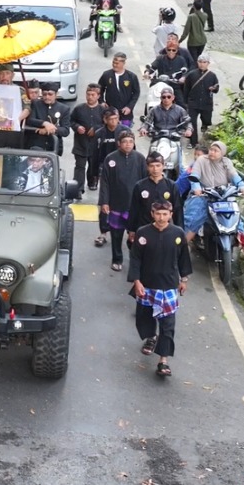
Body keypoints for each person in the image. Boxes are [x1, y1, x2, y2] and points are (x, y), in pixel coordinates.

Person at [129, 201, 190, 377]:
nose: (161, 218)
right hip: (146, 285)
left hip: (169, 286)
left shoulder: (178, 234)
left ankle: (163, 360)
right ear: (152, 214)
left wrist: (183, 279)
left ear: (171, 214)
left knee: (168, 324)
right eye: (158, 214)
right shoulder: (143, 233)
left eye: (165, 214)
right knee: (144, 317)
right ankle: (150, 338)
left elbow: (184, 258)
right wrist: (136, 281)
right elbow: (135, 259)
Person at [97, 130, 145, 271]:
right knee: (116, 235)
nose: (128, 144)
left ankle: (136, 262)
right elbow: (105, 181)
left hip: (134, 205)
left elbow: (144, 181)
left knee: (135, 235)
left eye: (131, 141)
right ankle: (117, 259)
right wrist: (104, 202)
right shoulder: (110, 159)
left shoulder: (140, 158)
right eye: (124, 142)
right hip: (116, 204)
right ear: (119, 143)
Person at [127, 154, 182, 258]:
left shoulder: (171, 186)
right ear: (147, 167)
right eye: (152, 166)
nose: (155, 169)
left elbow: (178, 209)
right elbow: (134, 209)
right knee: (142, 257)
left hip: (164, 229)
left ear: (163, 166)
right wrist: (131, 229)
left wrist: (180, 231)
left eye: (158, 165)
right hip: (144, 227)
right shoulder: (140, 186)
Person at [69, 84, 108, 190]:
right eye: (88, 94)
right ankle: (77, 188)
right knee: (79, 167)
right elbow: (71, 121)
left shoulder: (102, 110)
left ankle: (92, 182)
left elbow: (107, 125)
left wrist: (96, 129)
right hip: (81, 143)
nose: (90, 97)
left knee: (93, 165)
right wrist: (77, 127)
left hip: (96, 145)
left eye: (93, 95)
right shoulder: (78, 109)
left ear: (98, 96)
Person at [181, 55, 219, 148]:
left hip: (206, 103)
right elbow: (186, 89)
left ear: (208, 63)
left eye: (204, 62)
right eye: (200, 62)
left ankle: (205, 139)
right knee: (192, 122)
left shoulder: (212, 75)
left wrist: (213, 88)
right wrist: (185, 102)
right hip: (193, 102)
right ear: (197, 63)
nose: (202, 64)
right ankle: (193, 142)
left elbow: (216, 88)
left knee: (207, 121)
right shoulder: (191, 74)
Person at [98, 53, 142, 127]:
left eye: (117, 63)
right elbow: (99, 89)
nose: (115, 65)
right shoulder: (106, 75)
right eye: (113, 63)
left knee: (124, 134)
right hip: (110, 112)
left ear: (123, 63)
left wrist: (129, 107)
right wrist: (101, 101)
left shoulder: (131, 76)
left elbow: (136, 93)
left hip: (125, 114)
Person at [23, 81, 68, 153]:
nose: (47, 97)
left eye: (50, 94)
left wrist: (49, 129)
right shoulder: (36, 104)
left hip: (53, 146)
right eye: (44, 94)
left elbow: (65, 130)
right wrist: (45, 123)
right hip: (36, 145)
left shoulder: (64, 109)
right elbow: (30, 120)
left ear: (56, 94)